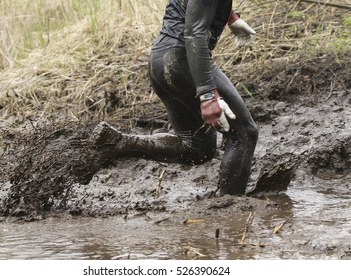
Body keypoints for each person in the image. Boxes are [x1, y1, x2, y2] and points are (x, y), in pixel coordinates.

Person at [91, 0, 258, 195]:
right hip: (181, 61)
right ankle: (231, 209)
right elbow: (194, 34)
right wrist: (207, 95)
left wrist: (230, 17)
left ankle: (117, 143)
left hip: (161, 60)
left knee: (197, 149)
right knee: (244, 134)